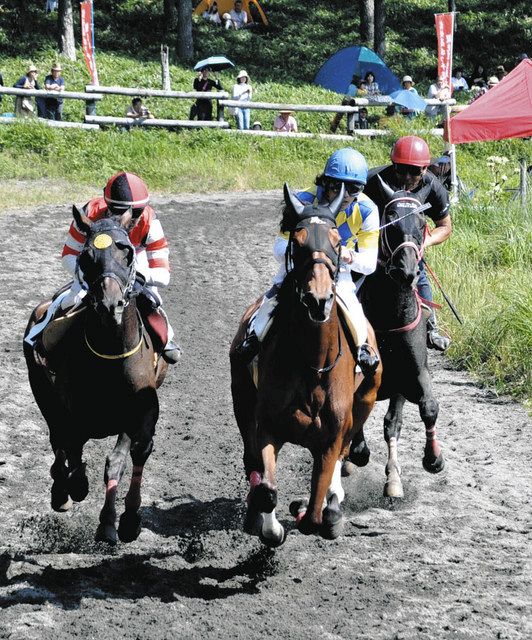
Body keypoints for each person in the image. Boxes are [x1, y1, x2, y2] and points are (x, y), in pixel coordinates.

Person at [236, 148, 381, 377]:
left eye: (352, 189)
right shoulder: (301, 201)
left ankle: (363, 348)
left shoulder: (367, 210)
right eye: (336, 186)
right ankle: (253, 339)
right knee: (272, 298)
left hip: (336, 270)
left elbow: (369, 263)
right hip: (298, 267)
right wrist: (311, 253)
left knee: (351, 303)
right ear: (325, 181)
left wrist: (344, 255)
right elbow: (279, 247)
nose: (343, 196)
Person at [25, 172, 181, 364]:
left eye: (137, 212)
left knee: (151, 300)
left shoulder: (150, 222)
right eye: (121, 211)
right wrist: (90, 275)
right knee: (71, 299)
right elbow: (69, 256)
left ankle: (166, 339)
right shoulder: (90, 213)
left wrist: (130, 275)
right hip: (96, 265)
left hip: (132, 261)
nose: (130, 218)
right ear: (109, 205)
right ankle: (39, 332)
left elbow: (163, 276)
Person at [364, 135, 452, 351]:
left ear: (425, 169)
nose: (407, 176)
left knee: (417, 271)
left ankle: (431, 327)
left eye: (414, 171)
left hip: (407, 244)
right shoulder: (373, 181)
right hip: (374, 241)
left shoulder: (433, 187)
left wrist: (424, 241)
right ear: (393, 164)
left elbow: (445, 227)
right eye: (401, 169)